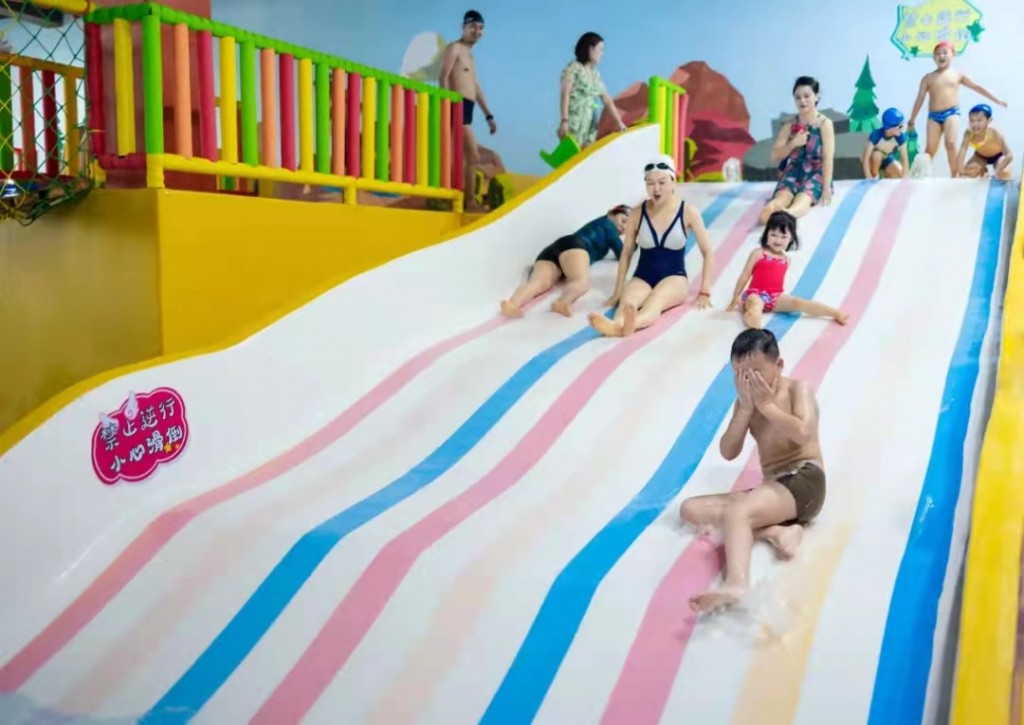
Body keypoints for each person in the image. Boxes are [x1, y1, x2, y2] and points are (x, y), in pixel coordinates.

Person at [681, 328, 827, 612]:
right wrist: (747, 410)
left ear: (778, 365)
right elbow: (728, 451)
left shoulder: (798, 389)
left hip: (806, 480)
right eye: (740, 375)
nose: (748, 381)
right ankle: (778, 532)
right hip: (774, 487)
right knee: (691, 509)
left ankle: (736, 583)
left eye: (756, 372)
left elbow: (803, 432)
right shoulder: (745, 402)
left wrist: (767, 406)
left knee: (737, 512)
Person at [589, 155, 714, 337]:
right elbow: (626, 254)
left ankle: (628, 325)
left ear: (673, 181)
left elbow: (708, 251)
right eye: (650, 183)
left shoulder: (688, 212)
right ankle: (617, 325)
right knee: (627, 303)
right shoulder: (637, 213)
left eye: (662, 182)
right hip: (643, 275)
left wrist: (705, 291)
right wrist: (617, 291)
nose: (656, 189)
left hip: (675, 277)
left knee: (655, 301)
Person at [500, 205, 631, 318]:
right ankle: (562, 302)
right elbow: (622, 253)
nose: (623, 227)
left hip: (556, 248)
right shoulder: (608, 225)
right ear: (610, 214)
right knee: (581, 282)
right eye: (623, 220)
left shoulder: (600, 227)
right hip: (575, 246)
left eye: (627, 227)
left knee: (538, 283)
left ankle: (512, 304)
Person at [727, 212, 848, 329]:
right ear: (766, 234)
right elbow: (745, 275)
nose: (778, 240)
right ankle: (755, 321)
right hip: (754, 294)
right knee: (756, 304)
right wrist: (735, 296)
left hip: (775, 297)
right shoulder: (758, 253)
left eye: (783, 236)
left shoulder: (786, 260)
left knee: (798, 302)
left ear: (791, 239)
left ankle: (835, 313)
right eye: (773, 235)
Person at [907, 40, 1007, 177]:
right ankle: (921, 175)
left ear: (952, 54)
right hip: (934, 116)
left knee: (950, 143)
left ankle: (955, 175)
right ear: (934, 57)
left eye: (945, 52)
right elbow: (920, 99)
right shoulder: (928, 78)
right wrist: (912, 120)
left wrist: (997, 100)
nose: (941, 56)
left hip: (951, 113)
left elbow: (977, 87)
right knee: (930, 150)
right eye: (937, 54)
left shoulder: (957, 75)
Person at [439, 10, 497, 211]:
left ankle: (459, 199)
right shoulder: (454, 48)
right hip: (456, 105)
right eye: (472, 26)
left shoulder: (470, 56)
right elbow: (443, 77)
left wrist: (488, 115)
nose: (476, 31)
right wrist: (448, 104)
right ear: (464, 27)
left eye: (480, 28)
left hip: (467, 107)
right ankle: (469, 201)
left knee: (464, 155)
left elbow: (475, 87)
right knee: (473, 154)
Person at [760, 77, 835, 225]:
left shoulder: (824, 124)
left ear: (816, 96)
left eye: (807, 96)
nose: (802, 101)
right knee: (780, 198)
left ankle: (786, 216)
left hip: (816, 172)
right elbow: (774, 156)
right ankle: (770, 212)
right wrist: (792, 144)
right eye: (798, 97)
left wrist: (826, 187)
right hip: (793, 171)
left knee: (804, 198)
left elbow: (827, 158)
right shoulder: (790, 125)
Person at [558, 32, 627, 149]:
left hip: (590, 125)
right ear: (590, 49)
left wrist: (619, 123)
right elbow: (565, 93)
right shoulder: (574, 68)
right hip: (574, 122)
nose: (602, 54)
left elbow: (607, 100)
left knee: (587, 154)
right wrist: (564, 121)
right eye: (600, 50)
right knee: (572, 154)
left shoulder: (595, 75)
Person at [954, 103, 1014, 180]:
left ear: (989, 120)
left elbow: (1009, 155)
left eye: (979, 120)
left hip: (998, 156)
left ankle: (998, 172)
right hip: (981, 156)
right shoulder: (969, 133)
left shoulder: (995, 132)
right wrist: (960, 173)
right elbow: (962, 153)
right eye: (972, 120)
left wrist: (996, 172)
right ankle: (984, 171)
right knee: (969, 172)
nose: (975, 124)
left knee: (1004, 173)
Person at [862, 108, 910, 179]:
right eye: (900, 126)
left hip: (886, 158)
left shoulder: (900, 136)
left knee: (899, 173)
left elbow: (904, 159)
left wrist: (904, 179)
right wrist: (868, 178)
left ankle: (886, 175)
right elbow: (865, 158)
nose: (902, 129)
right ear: (889, 128)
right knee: (876, 155)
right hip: (873, 160)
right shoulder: (876, 135)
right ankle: (875, 175)